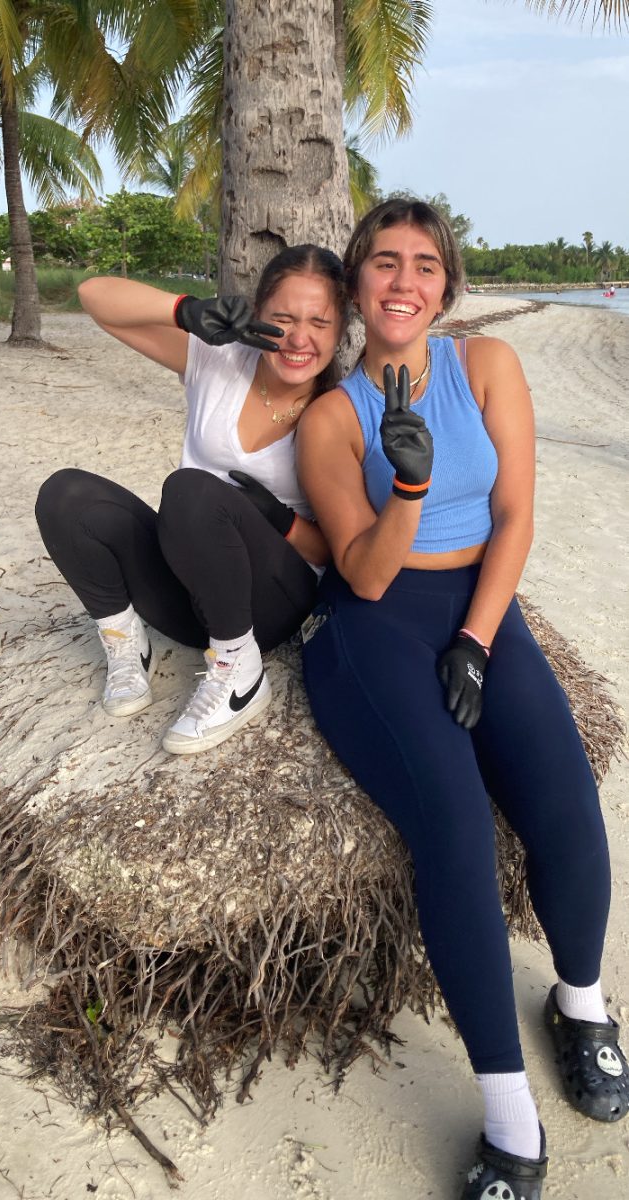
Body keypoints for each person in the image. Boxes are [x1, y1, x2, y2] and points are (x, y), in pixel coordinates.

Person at [297, 199, 629, 1198]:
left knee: (568, 806)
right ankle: (508, 1116)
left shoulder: (489, 368)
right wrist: (406, 488)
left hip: (481, 604)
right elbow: (360, 574)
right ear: (358, 284)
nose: (404, 281)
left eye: (424, 266)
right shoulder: (330, 415)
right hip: (378, 619)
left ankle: (581, 1004)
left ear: (447, 286)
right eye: (384, 264)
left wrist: (480, 641)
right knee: (455, 831)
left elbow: (517, 513)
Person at [35, 245, 348, 754]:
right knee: (65, 495)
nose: (298, 338)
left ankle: (239, 673)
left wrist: (280, 519)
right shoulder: (218, 359)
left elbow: (338, 554)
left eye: (319, 322)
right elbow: (94, 297)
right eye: (283, 318)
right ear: (256, 314)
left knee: (191, 490)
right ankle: (124, 643)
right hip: (188, 591)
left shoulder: (342, 413)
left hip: (267, 604)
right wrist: (186, 311)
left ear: (339, 331)